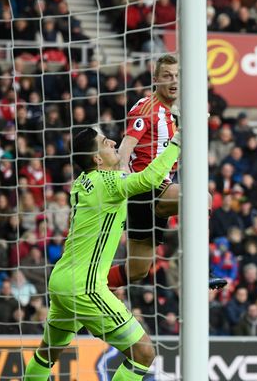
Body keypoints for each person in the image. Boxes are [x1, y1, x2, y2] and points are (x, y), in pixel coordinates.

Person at [23, 126, 180, 380]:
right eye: (106, 142)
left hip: (62, 280)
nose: (113, 142)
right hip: (85, 287)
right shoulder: (106, 183)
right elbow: (150, 179)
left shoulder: (82, 182)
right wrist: (178, 141)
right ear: (96, 159)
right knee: (143, 353)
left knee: (47, 353)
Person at [106, 55, 224, 290]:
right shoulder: (147, 107)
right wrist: (121, 182)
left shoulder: (178, 112)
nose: (173, 81)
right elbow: (125, 148)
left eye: (177, 76)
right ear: (155, 79)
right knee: (203, 198)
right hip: (143, 188)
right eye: (167, 76)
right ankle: (201, 269)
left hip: (160, 189)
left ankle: (89, 283)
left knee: (137, 271)